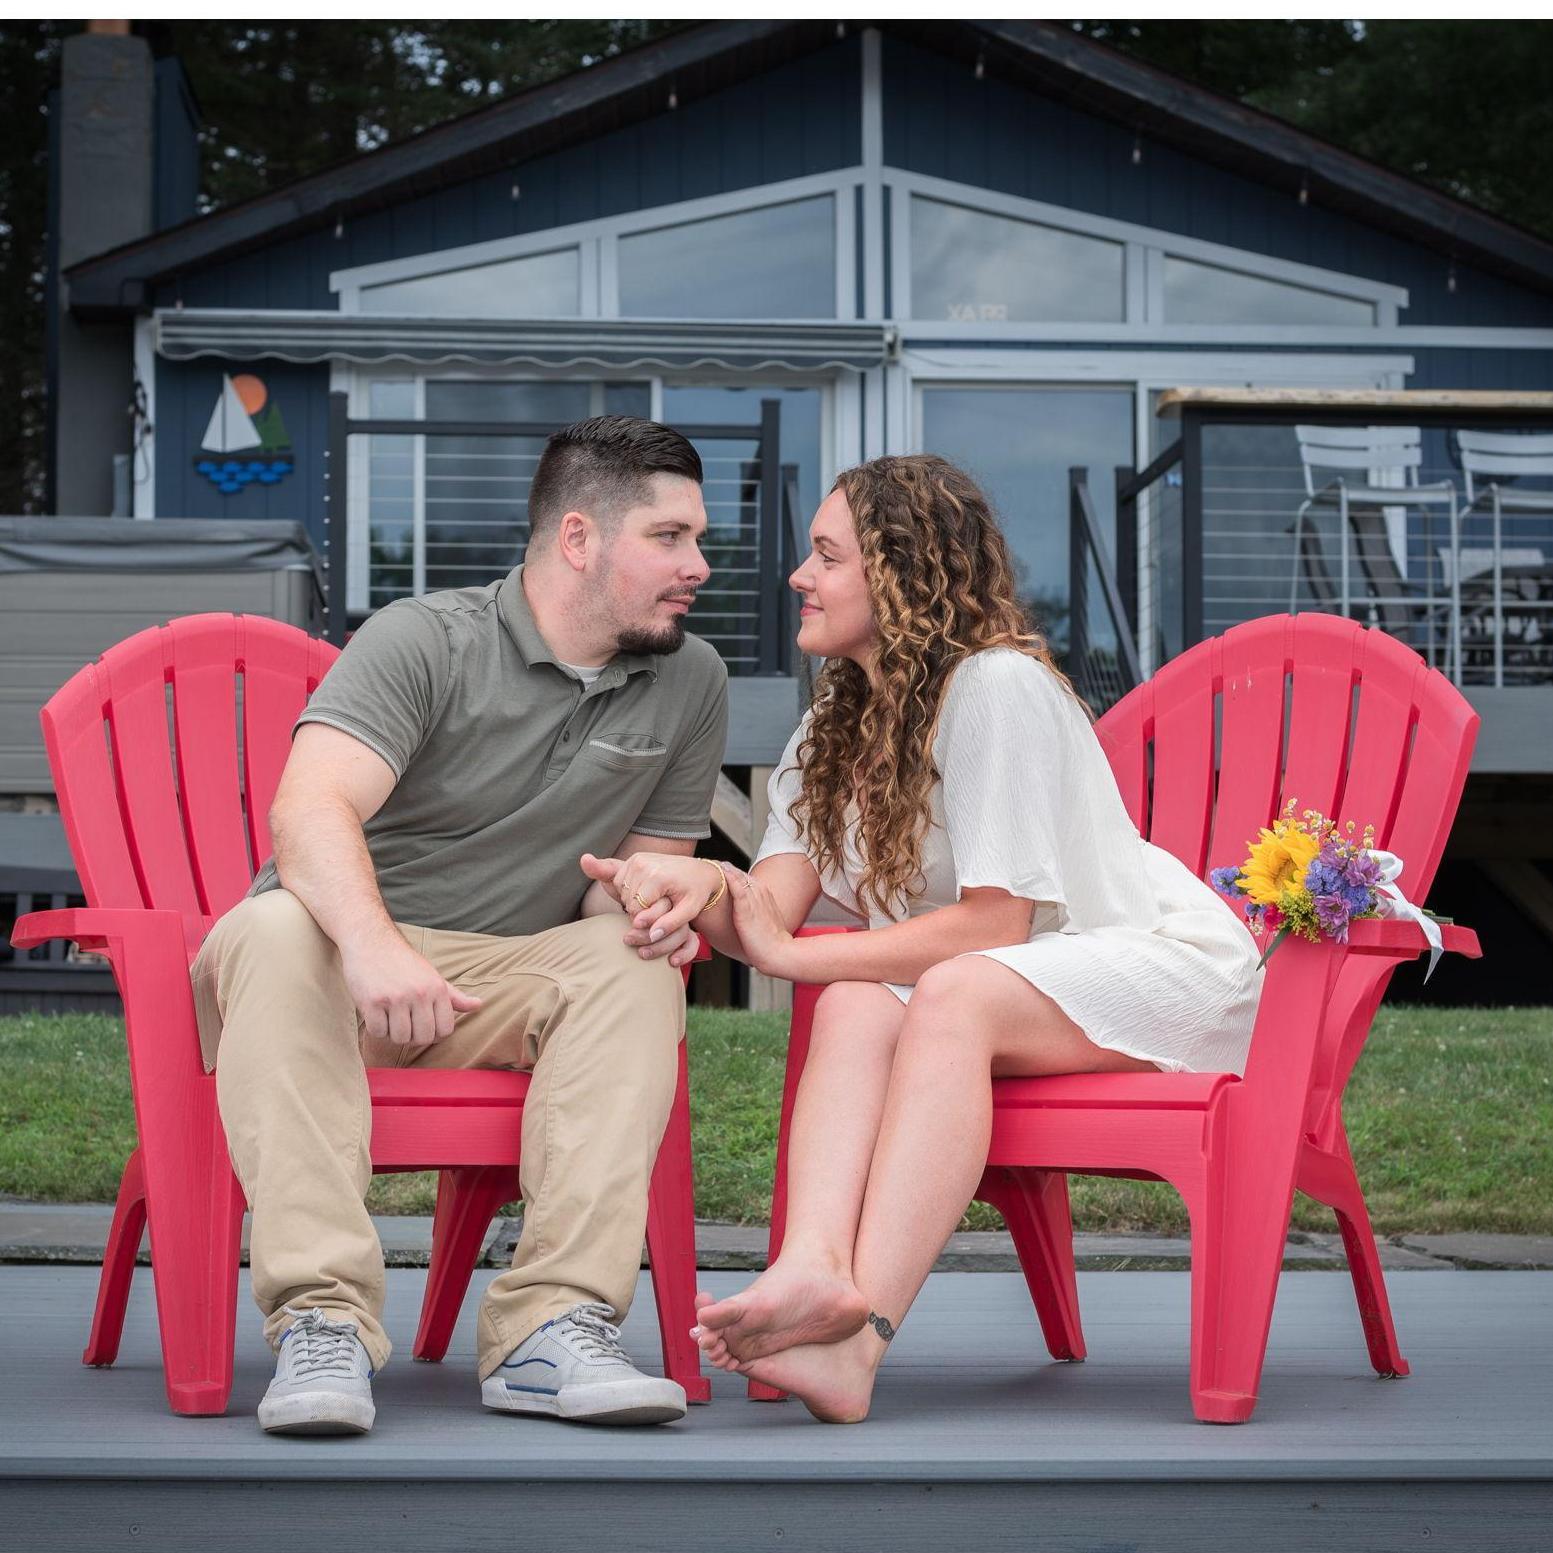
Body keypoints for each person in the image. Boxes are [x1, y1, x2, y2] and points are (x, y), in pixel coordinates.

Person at [588, 453, 1263, 1423]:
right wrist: (697, 886)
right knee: (857, 1005)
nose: (799, 576)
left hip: (1153, 964)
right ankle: (815, 1267)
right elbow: (767, 909)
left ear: (901, 573)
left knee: (951, 986)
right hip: (1004, 989)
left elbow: (994, 922)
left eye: (827, 556)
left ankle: (859, 1341)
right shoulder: (832, 728)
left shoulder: (994, 686)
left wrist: (792, 954)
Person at [191, 415, 729, 1434]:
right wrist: (374, 946)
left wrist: (649, 903)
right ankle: (322, 1322)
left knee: (631, 961)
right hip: (325, 971)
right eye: (669, 537)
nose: (697, 565)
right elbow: (308, 811)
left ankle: (551, 1326)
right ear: (578, 538)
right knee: (271, 927)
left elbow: (619, 879)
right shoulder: (425, 639)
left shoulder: (689, 677)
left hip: (497, 985)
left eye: (698, 538)